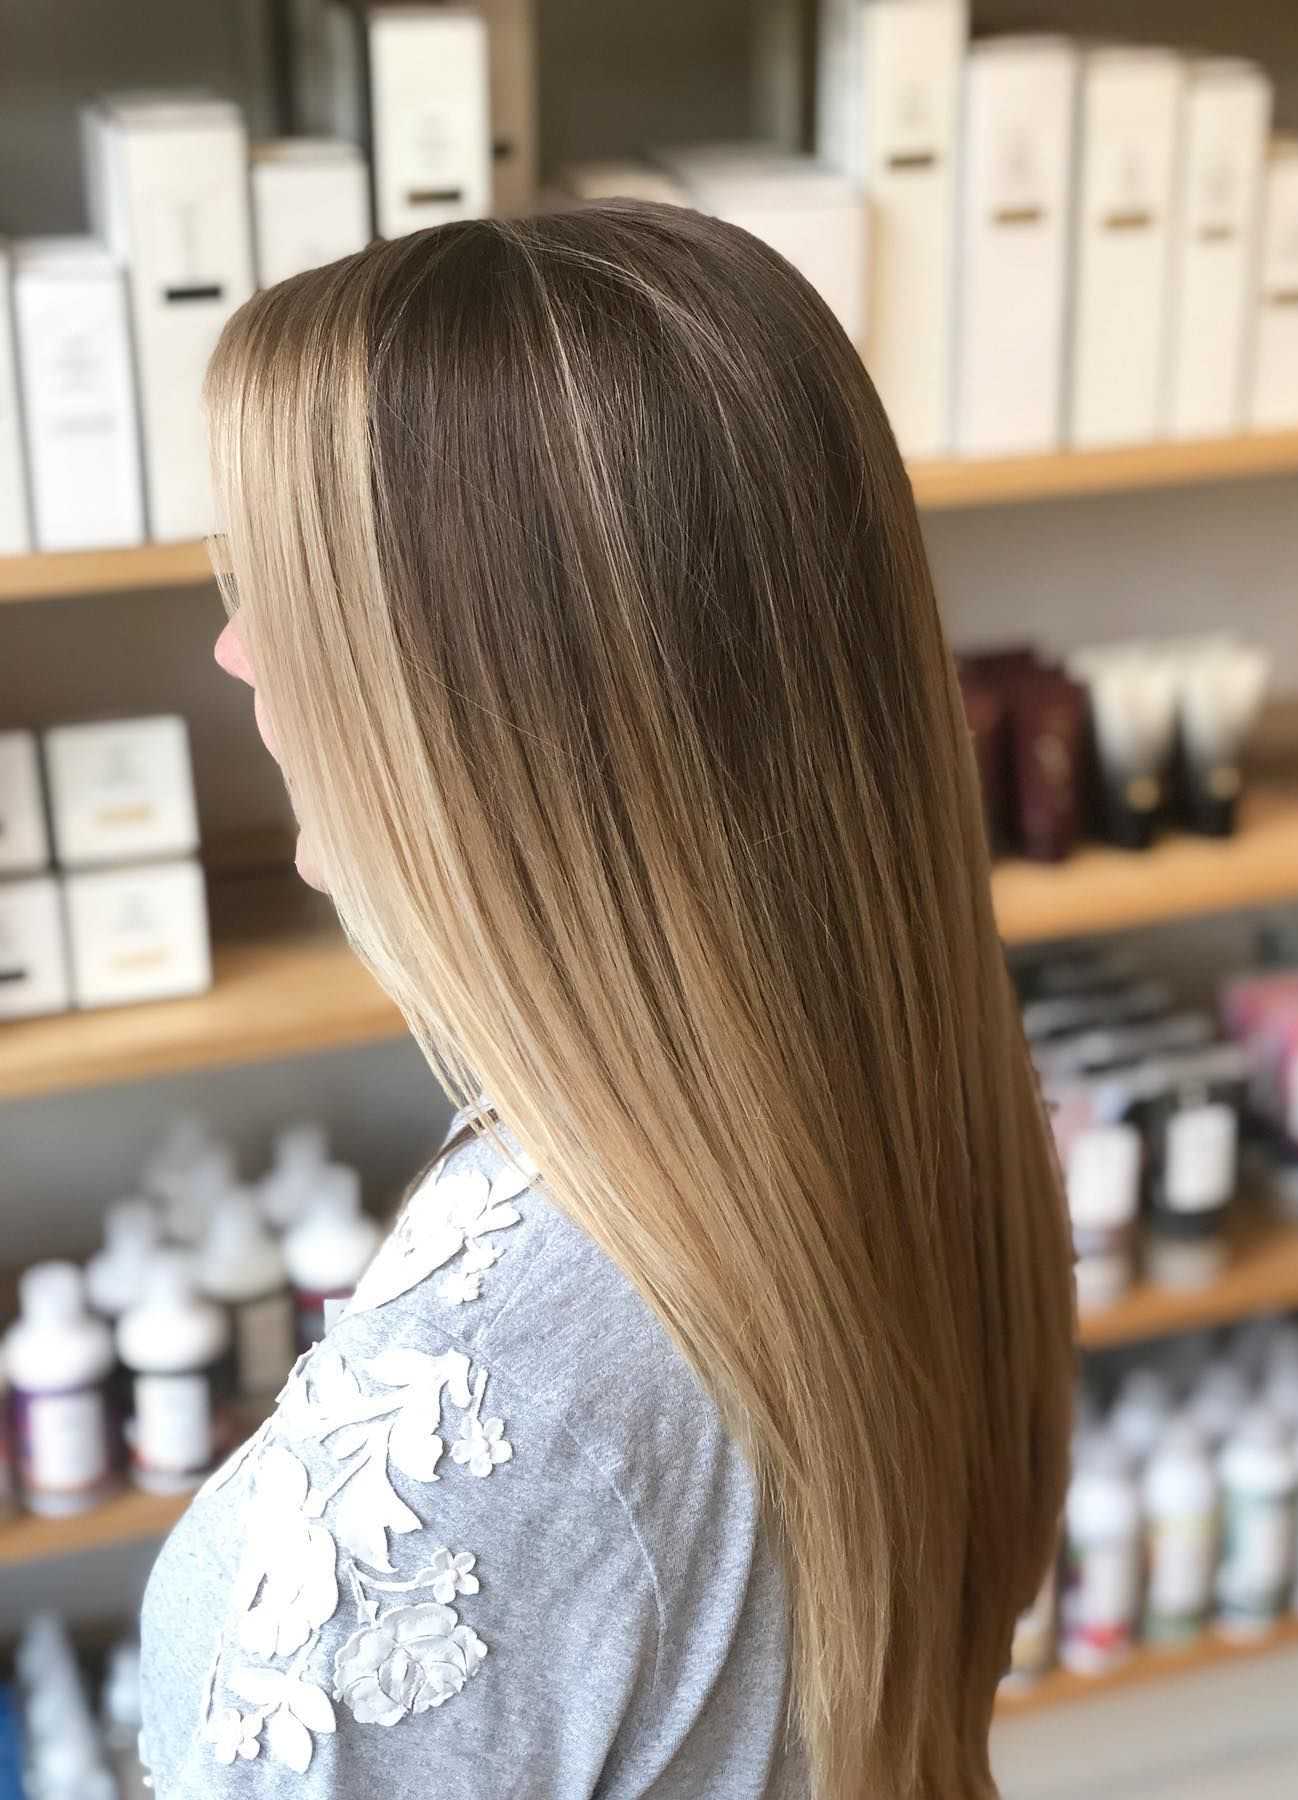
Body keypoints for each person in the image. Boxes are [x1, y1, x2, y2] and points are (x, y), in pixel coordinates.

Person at [139, 203, 1073, 1800]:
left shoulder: (476, 1446)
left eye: (286, 589)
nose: (233, 650)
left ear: (477, 702)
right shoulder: (918, 1109)